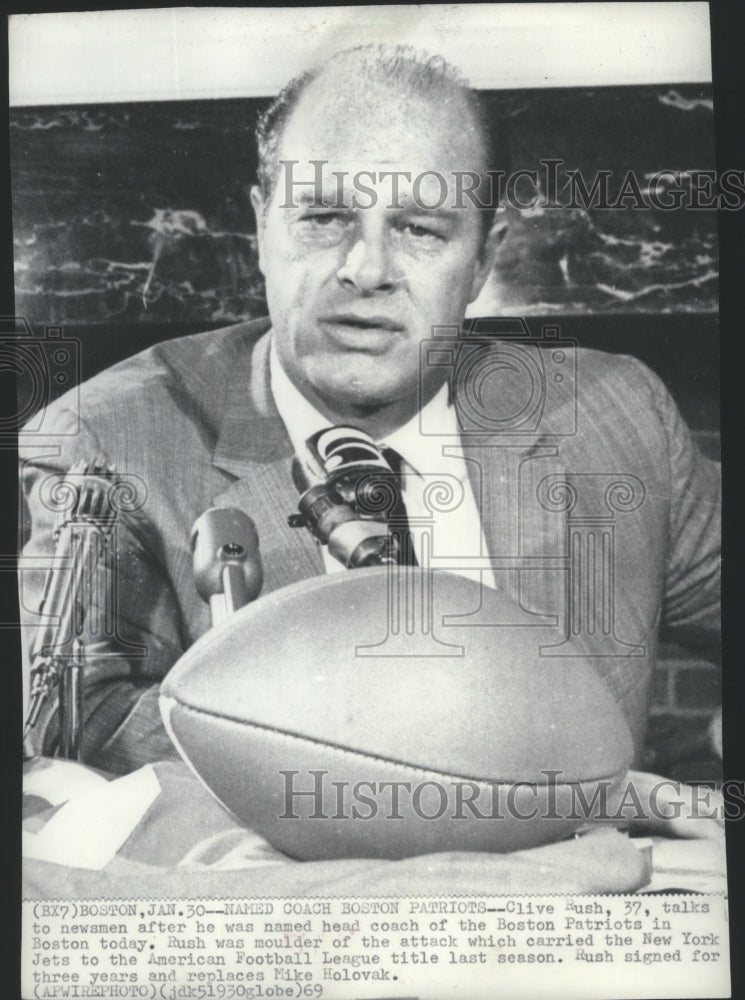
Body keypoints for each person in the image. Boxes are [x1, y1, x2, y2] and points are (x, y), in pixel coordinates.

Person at [20, 47, 721, 883]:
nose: (365, 270)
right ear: (260, 226)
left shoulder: (612, 419)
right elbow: (65, 753)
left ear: (483, 259)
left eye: (420, 230)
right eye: (322, 218)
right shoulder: (112, 443)